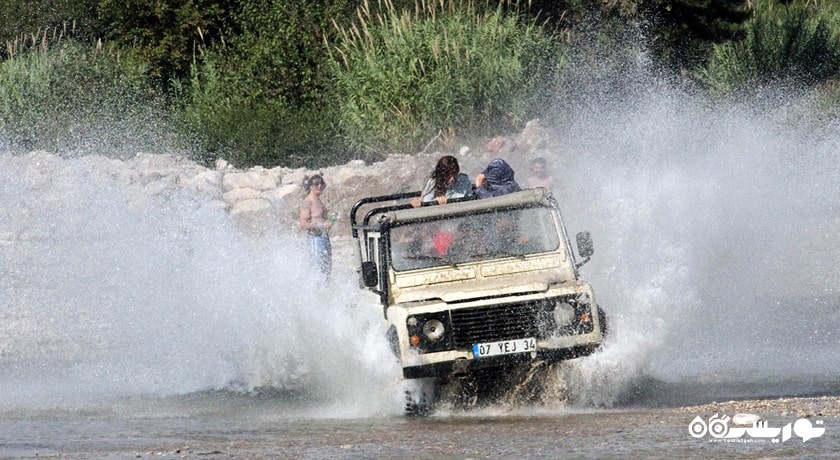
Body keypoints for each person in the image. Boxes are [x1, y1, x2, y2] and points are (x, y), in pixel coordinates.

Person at [299, 174, 335, 276]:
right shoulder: (307, 202)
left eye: (321, 183)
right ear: (311, 186)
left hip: (324, 238)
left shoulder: (319, 201)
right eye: (316, 184)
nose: (319, 186)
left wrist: (333, 219)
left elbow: (324, 221)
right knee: (318, 269)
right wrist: (321, 226)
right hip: (315, 239)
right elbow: (303, 224)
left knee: (327, 270)